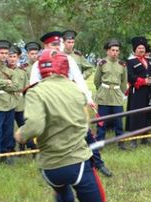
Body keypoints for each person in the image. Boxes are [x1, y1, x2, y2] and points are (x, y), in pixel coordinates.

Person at [14, 49, 107, 202]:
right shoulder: (75, 90)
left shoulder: (35, 92)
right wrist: (26, 132)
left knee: (63, 194)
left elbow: (34, 126)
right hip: (76, 163)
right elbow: (83, 125)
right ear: (65, 67)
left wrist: (20, 134)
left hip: (50, 168)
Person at [31, 31, 112, 177]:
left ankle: (98, 164)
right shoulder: (38, 64)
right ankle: (47, 167)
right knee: (50, 137)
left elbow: (79, 80)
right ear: (45, 46)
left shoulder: (68, 60)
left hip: (71, 105)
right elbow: (33, 86)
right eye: (52, 45)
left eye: (58, 44)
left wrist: (88, 98)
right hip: (50, 107)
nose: (56, 47)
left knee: (86, 134)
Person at [126, 36, 151, 148]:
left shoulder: (149, 61)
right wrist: (143, 81)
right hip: (137, 92)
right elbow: (130, 76)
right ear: (134, 50)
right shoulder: (130, 62)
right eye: (139, 48)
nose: (141, 50)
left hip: (149, 92)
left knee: (148, 113)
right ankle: (134, 140)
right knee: (136, 114)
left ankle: (145, 137)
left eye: (143, 48)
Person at [94, 39, 128, 150]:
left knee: (118, 121)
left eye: (117, 50)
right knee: (102, 121)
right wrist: (101, 91)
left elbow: (124, 81)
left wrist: (121, 93)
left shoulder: (122, 65)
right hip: (104, 95)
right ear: (108, 51)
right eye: (112, 50)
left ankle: (121, 143)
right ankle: (99, 143)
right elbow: (97, 80)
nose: (114, 52)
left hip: (117, 96)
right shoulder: (102, 63)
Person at [7, 46, 32, 151]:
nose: (12, 58)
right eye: (10, 56)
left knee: (24, 126)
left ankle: (29, 146)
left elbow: (27, 87)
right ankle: (10, 148)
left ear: (18, 57)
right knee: (8, 128)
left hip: (21, 103)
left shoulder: (22, 71)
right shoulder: (4, 71)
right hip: (8, 103)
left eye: (14, 56)